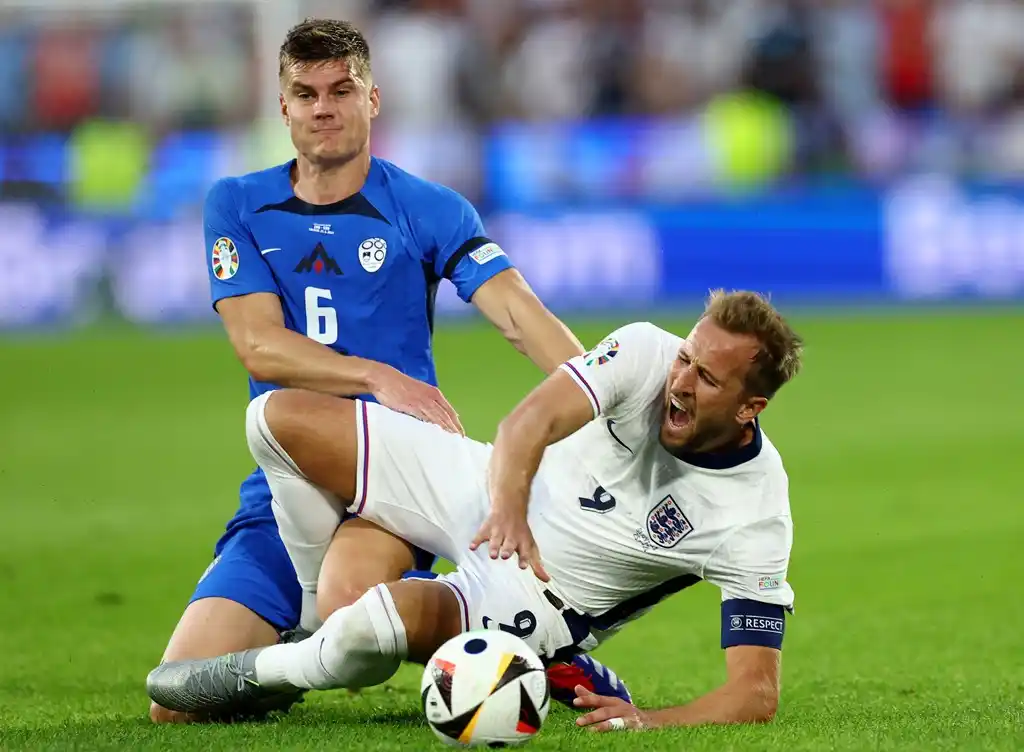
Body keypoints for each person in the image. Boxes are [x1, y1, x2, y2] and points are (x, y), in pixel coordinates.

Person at [150, 18, 631, 724]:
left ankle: (537, 651)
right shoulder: (238, 204)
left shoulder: (426, 207)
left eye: (342, 89)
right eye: (305, 92)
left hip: (392, 483)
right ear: (282, 106)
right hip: (285, 481)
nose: (324, 107)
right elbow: (258, 346)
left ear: (373, 99)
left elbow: (515, 313)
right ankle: (303, 650)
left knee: (351, 612)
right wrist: (378, 376)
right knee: (179, 701)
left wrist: (604, 397)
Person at [148, 290, 805, 732]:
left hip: (531, 594)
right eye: (687, 359)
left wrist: (647, 720)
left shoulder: (753, 512)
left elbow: (755, 694)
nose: (681, 383)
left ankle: (265, 674)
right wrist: (511, 509)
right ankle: (313, 619)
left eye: (707, 380)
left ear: (751, 408)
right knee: (274, 418)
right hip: (488, 483)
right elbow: (528, 422)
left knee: (367, 629)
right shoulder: (644, 353)